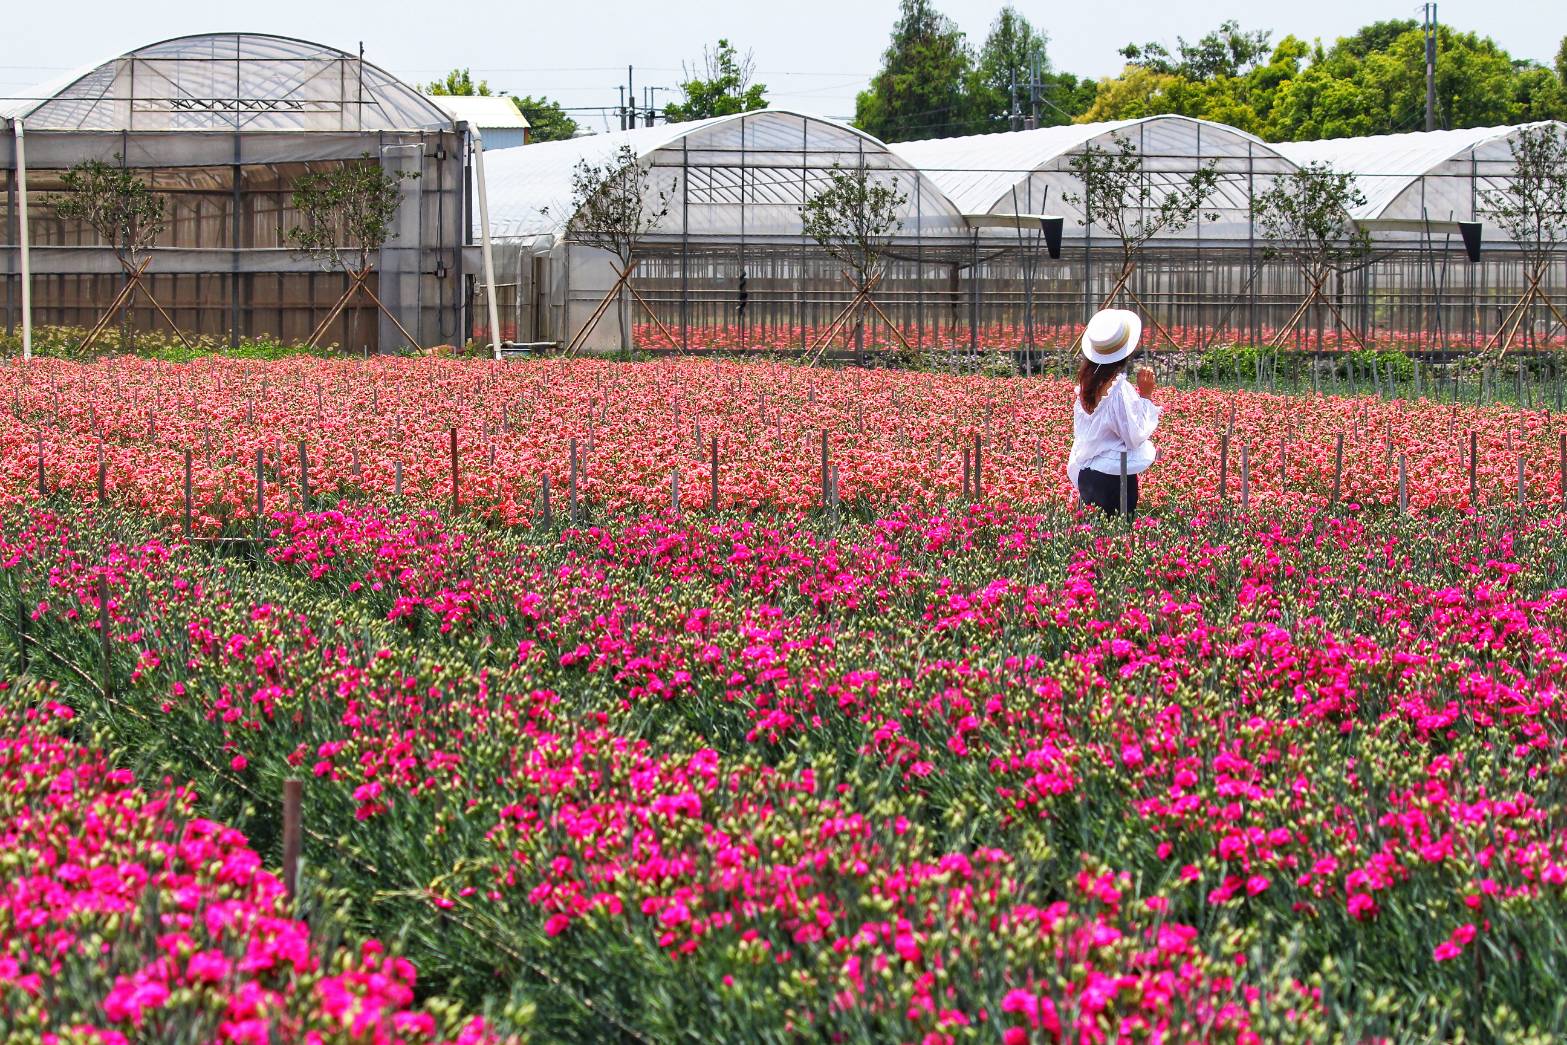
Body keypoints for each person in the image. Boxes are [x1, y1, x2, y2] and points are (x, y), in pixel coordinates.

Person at [1065, 309, 1161, 519]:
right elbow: (1133, 437)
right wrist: (1145, 396)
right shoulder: (1117, 391)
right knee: (1116, 541)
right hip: (1113, 479)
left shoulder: (1085, 386)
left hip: (1088, 475)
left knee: (1090, 537)